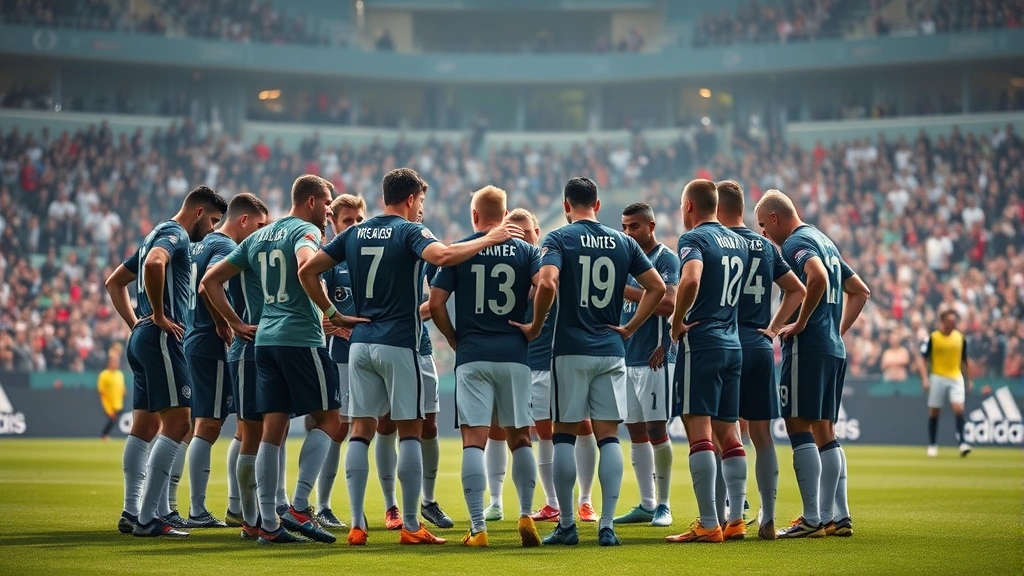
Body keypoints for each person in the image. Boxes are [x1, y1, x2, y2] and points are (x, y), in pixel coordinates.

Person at [297, 167, 524, 546]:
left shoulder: (353, 233)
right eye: (421, 200)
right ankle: (412, 524)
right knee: (410, 432)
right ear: (410, 198)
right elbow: (444, 255)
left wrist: (332, 313)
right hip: (399, 342)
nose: (421, 207)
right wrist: (491, 237)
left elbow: (307, 271)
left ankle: (357, 525)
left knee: (360, 430)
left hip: (360, 344)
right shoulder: (410, 231)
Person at [201, 174, 356, 545]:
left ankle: (268, 524)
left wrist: (235, 323)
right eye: (328, 203)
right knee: (330, 420)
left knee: (272, 430)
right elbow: (306, 267)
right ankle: (299, 507)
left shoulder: (258, 236)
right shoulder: (305, 231)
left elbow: (210, 281)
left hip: (265, 341)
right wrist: (332, 313)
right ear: (311, 201)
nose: (329, 212)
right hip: (301, 339)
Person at [511, 176, 666, 547]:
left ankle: (567, 524)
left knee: (564, 434)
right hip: (611, 350)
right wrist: (629, 327)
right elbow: (657, 287)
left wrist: (535, 326)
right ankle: (607, 524)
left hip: (570, 349)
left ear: (567, 206)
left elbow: (547, 283)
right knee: (608, 436)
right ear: (597, 205)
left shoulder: (558, 238)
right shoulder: (624, 241)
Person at [428, 185, 542, 547]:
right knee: (521, 438)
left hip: (473, 354)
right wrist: (534, 326)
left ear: (475, 215)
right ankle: (526, 514)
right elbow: (547, 286)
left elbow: (435, 303)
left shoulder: (461, 249)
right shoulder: (527, 251)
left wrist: (453, 339)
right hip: (515, 354)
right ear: (506, 215)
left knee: (474, 442)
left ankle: (478, 528)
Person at [755, 189, 870, 539]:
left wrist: (801, 323)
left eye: (763, 225)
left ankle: (811, 518)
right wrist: (836, 330)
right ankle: (838, 516)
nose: (763, 233)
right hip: (832, 347)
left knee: (797, 424)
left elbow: (816, 278)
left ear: (774, 218)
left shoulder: (795, 243)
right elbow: (860, 290)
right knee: (825, 430)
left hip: (807, 349)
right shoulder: (825, 241)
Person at [124, 185, 228, 537]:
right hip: (162, 337)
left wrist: (137, 323)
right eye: (212, 220)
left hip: (143, 336)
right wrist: (157, 315)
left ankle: (131, 510)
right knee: (180, 423)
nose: (213, 229)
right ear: (199, 212)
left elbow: (115, 282)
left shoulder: (152, 233)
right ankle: (148, 518)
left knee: (144, 427)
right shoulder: (176, 234)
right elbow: (155, 263)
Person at [716, 180, 806, 540]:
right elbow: (797, 290)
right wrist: (772, 327)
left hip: (726, 342)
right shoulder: (765, 246)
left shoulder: (718, 243)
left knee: (723, 431)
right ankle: (768, 518)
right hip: (759, 345)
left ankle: (730, 516)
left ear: (717, 208)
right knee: (762, 434)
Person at [664, 179, 749, 544]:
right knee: (730, 434)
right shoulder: (739, 241)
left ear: (689, 206)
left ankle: (709, 523)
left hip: (702, 343)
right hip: (733, 344)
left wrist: (676, 321)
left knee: (698, 430)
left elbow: (691, 280)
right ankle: (736, 519)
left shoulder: (694, 238)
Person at [183, 193, 268, 529]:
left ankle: (234, 506)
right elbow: (207, 286)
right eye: (258, 226)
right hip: (210, 341)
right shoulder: (224, 245)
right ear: (243, 220)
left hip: (197, 337)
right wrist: (229, 322)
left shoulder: (198, 245)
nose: (260, 233)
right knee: (208, 425)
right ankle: (197, 509)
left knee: (238, 427)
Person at [612, 202, 679, 528]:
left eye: (634, 226)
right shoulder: (625, 261)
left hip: (655, 357)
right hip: (627, 356)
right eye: (624, 227)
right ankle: (647, 502)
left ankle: (664, 505)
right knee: (635, 429)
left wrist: (627, 290)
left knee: (656, 428)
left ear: (651, 226)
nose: (628, 233)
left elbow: (668, 303)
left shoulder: (665, 258)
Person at [313, 193, 366, 529]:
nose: (355, 226)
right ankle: (322, 504)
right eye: (348, 221)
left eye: (359, 220)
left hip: (371, 355)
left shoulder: (371, 255)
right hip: (341, 357)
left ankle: (389, 506)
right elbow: (320, 315)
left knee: (375, 426)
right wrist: (333, 321)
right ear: (332, 222)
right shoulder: (330, 261)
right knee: (338, 427)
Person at [916, 309, 973, 457]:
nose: (952, 323)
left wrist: (969, 379)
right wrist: (925, 378)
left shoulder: (960, 338)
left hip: (955, 376)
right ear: (943, 322)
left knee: (958, 408)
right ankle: (932, 444)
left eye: (954, 321)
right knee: (934, 411)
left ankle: (963, 443)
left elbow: (965, 360)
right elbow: (922, 358)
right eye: (949, 321)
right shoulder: (933, 338)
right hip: (938, 377)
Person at [98, 344, 126, 441]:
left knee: (114, 420)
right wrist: (107, 407)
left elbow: (122, 388)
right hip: (109, 404)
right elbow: (101, 391)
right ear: (109, 363)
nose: (116, 364)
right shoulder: (104, 375)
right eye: (114, 362)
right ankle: (104, 435)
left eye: (117, 362)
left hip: (118, 403)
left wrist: (123, 391)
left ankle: (105, 435)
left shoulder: (120, 374)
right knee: (112, 419)